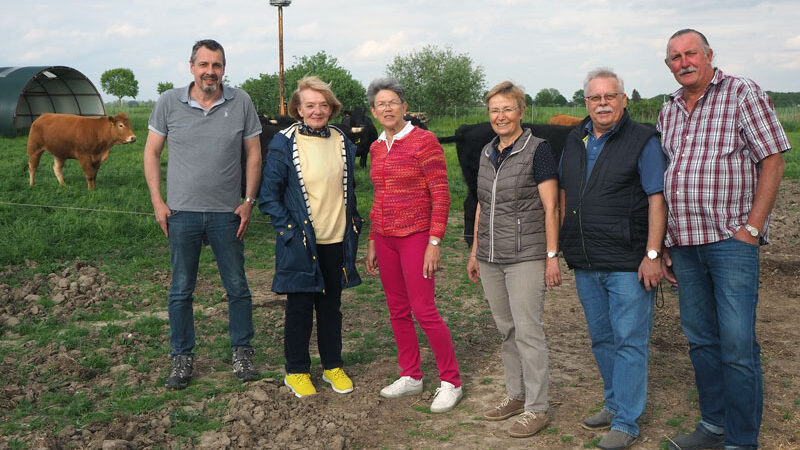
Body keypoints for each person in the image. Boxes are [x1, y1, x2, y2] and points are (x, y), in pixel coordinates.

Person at [659, 29, 791, 450]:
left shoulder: (742, 93)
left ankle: (740, 439)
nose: (684, 62)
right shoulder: (670, 110)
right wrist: (663, 243)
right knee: (700, 339)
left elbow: (773, 159)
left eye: (690, 53)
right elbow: (666, 178)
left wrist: (752, 228)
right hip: (684, 243)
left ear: (709, 54)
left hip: (731, 242)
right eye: (675, 57)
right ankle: (713, 426)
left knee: (736, 343)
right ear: (669, 65)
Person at [143, 39, 262, 389]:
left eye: (217, 65)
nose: (211, 72)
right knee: (181, 289)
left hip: (228, 213)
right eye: (204, 65)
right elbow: (151, 153)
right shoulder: (169, 102)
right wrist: (158, 202)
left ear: (224, 68)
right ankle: (181, 357)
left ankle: (242, 352)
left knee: (238, 287)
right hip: (182, 213)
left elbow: (253, 154)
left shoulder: (241, 102)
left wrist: (249, 201)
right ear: (191, 66)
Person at [559, 68, 667, 450]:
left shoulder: (643, 141)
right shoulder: (576, 139)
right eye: (594, 98)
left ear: (623, 100)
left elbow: (657, 198)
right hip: (587, 260)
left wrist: (652, 254)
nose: (602, 103)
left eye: (610, 96)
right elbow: (564, 195)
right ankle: (613, 402)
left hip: (627, 261)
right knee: (602, 338)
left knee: (629, 342)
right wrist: (558, 249)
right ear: (585, 103)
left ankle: (626, 422)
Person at [465, 81, 561, 437]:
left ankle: (537, 407)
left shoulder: (539, 150)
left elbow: (552, 207)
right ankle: (516, 395)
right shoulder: (487, 152)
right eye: (494, 110)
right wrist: (475, 251)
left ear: (521, 111)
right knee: (507, 331)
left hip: (525, 256)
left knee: (528, 331)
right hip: (490, 256)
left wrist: (551, 257)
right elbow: (481, 205)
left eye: (507, 109)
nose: (500, 116)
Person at [259, 76, 362, 398]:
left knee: (332, 307)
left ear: (332, 108)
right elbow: (269, 196)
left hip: (336, 239)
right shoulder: (283, 142)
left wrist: (353, 224)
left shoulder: (342, 140)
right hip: (301, 241)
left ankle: (332, 365)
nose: (317, 111)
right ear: (298, 109)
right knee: (300, 307)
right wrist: (289, 231)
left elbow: (349, 188)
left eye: (323, 105)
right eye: (310, 105)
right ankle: (298, 371)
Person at [365, 77, 462, 413]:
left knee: (424, 310)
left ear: (404, 107)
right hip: (386, 238)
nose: (388, 108)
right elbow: (379, 195)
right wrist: (373, 238)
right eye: (381, 104)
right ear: (374, 111)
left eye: (393, 102)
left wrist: (435, 241)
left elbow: (441, 194)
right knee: (397, 310)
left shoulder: (424, 141)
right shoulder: (377, 146)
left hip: (417, 237)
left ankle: (451, 381)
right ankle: (411, 375)